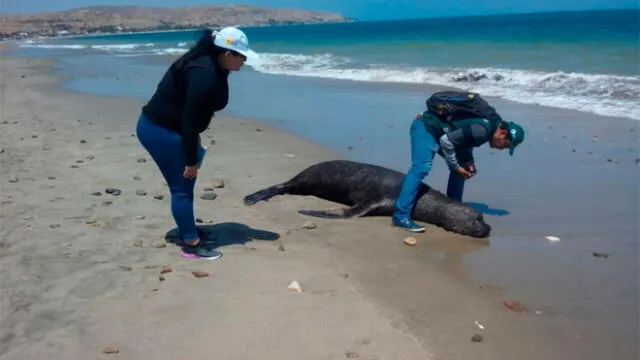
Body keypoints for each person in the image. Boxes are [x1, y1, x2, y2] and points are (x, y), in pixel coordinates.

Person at [135, 26, 259, 259]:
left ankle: (187, 230)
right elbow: (189, 121)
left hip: (173, 130)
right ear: (228, 54)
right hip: (160, 132)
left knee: (185, 186)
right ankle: (190, 242)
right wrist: (191, 160)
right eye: (242, 56)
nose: (245, 61)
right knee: (182, 187)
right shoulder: (204, 73)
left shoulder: (214, 63)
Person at [391, 99, 525, 233]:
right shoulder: (483, 130)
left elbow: (464, 141)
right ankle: (400, 216)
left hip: (442, 132)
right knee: (421, 168)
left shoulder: (491, 126)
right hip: (426, 127)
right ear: (503, 134)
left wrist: (468, 161)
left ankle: (453, 209)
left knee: (463, 168)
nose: (503, 149)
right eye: (506, 145)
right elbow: (446, 142)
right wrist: (455, 166)